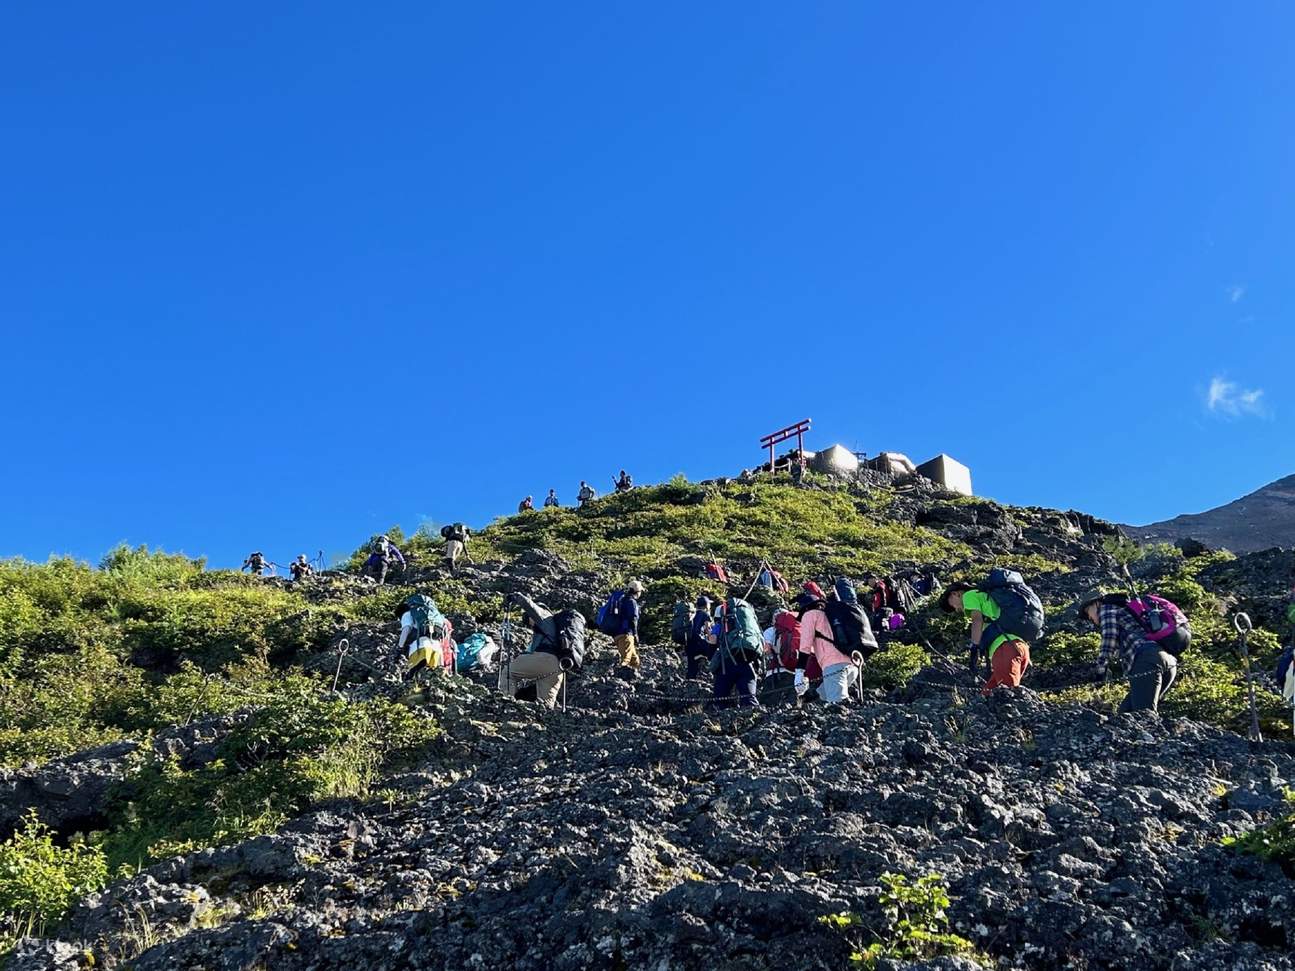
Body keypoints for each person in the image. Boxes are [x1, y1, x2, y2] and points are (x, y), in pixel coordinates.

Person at [1080, 591, 1177, 714]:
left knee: (1144, 716)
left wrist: (1100, 670)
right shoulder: (1125, 612)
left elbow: (1109, 640)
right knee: (1126, 714)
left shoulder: (1106, 609)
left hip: (1146, 661)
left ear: (1096, 604)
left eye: (1088, 613)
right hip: (1168, 661)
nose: (1090, 619)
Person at [939, 577, 1036, 694]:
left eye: (952, 605)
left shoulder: (969, 596)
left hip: (1005, 648)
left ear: (955, 594)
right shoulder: (984, 596)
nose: (956, 609)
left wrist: (974, 647)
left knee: (1007, 695)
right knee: (988, 695)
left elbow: (977, 620)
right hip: (1016, 647)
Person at [498, 592, 583, 709]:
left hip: (544, 659)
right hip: (559, 667)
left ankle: (504, 704)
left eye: (528, 619)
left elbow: (530, 606)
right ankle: (544, 720)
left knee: (508, 673)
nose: (530, 624)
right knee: (545, 705)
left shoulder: (545, 616)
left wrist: (516, 597)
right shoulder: (555, 628)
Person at [795, 589, 859, 705]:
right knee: (822, 695)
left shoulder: (810, 615)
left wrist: (799, 672)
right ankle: (806, 701)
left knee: (838, 705)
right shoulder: (831, 615)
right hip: (852, 664)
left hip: (833, 666)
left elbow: (805, 646)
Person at [708, 598, 762, 708]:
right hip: (747, 660)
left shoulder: (720, 624)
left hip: (728, 662)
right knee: (749, 698)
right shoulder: (744, 626)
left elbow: (713, 640)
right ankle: (754, 716)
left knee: (720, 699)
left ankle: (721, 718)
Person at [613, 580, 644, 672]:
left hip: (617, 634)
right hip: (626, 634)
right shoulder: (632, 602)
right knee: (626, 659)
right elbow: (633, 619)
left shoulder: (622, 600)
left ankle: (635, 677)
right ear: (637, 591)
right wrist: (635, 634)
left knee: (634, 660)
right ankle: (615, 679)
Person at [685, 596, 714, 680]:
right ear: (706, 605)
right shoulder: (705, 614)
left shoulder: (692, 614)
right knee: (714, 653)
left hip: (689, 643)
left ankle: (689, 683)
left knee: (691, 667)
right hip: (699, 642)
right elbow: (708, 630)